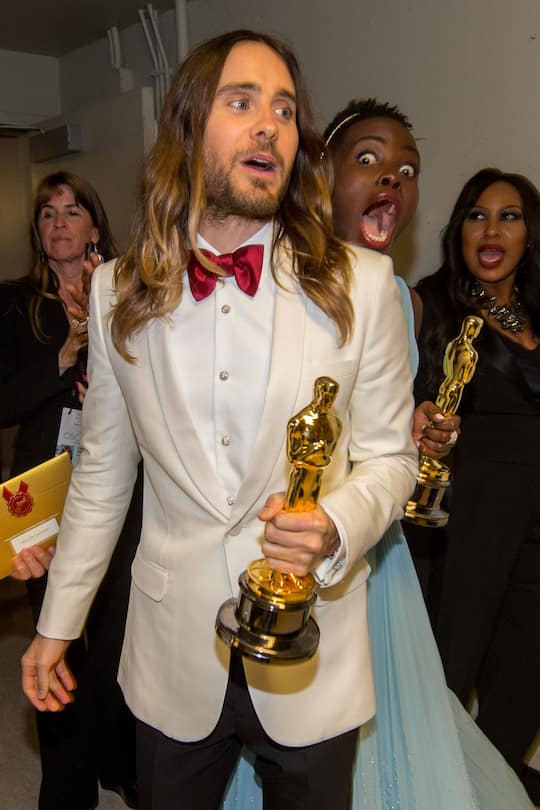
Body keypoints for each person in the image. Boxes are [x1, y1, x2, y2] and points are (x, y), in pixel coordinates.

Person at [21, 33, 417, 810]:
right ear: (189, 128)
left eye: (283, 109)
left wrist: (335, 522)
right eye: (242, 103)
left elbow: (391, 460)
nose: (269, 123)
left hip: (315, 654)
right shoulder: (113, 291)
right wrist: (57, 623)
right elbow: (103, 477)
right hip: (171, 656)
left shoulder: (363, 285)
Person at [0, 171, 139, 809]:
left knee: (114, 634)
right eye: (48, 213)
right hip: (40, 490)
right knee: (55, 639)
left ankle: (118, 759)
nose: (60, 222)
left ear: (94, 227)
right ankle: (65, 786)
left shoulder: (127, 294)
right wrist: (66, 358)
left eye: (73, 210)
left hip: (116, 487)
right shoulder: (11, 303)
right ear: (39, 233)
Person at [414, 167, 540, 804]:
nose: (492, 229)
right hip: (466, 541)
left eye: (509, 216)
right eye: (476, 215)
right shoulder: (431, 306)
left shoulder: (539, 313)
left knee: (517, 705)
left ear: (529, 234)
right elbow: (392, 405)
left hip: (536, 546)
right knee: (440, 694)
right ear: (458, 230)